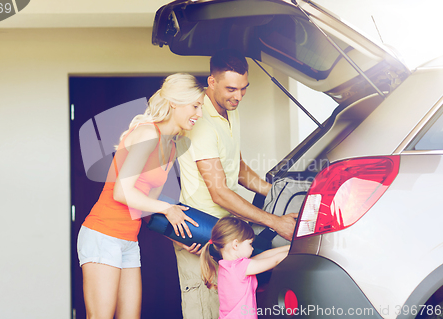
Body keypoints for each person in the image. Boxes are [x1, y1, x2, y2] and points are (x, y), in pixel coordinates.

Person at [174, 49, 297, 318]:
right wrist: (275, 222)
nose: (238, 96)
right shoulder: (201, 122)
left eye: (244, 89)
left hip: (224, 231)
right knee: (203, 308)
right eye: (231, 89)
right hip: (199, 230)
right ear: (212, 82)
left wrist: (273, 192)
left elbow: (236, 167)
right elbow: (219, 192)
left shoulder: (231, 110)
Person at [77, 73, 204, 319]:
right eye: (195, 106)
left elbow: (145, 208)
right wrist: (168, 208)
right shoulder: (148, 133)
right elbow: (122, 192)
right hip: (103, 235)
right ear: (176, 102)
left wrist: (174, 237)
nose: (199, 114)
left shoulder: (172, 146)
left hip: (128, 241)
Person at [200, 216, 290, 319]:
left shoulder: (226, 266)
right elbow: (275, 260)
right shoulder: (241, 267)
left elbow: (265, 255)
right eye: (250, 243)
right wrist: (299, 250)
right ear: (236, 245)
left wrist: (289, 248)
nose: (252, 248)